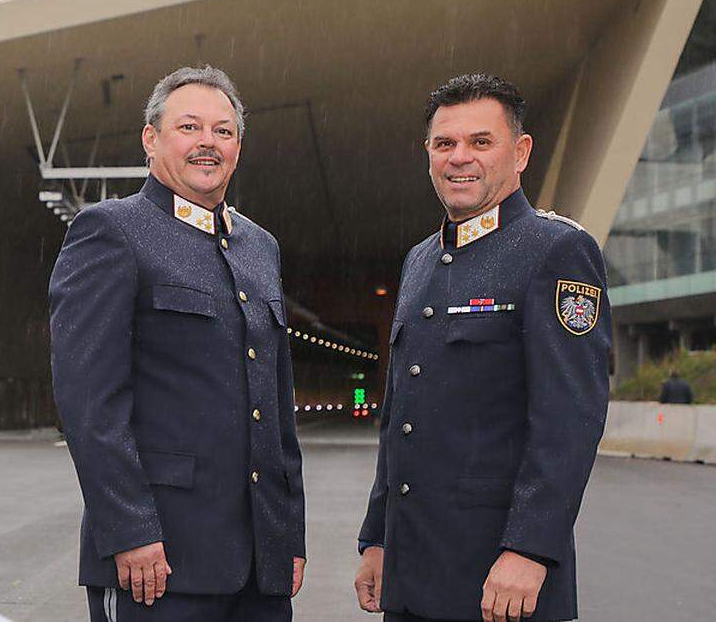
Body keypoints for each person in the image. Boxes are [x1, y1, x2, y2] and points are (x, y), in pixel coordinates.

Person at [49, 65, 306, 621]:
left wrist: (288, 534)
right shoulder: (110, 232)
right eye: (189, 127)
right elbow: (90, 405)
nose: (207, 143)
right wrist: (129, 529)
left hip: (260, 567)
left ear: (238, 145)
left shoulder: (259, 247)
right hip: (156, 562)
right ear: (151, 138)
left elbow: (275, 410)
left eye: (223, 130)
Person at [353, 74, 611, 622]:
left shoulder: (556, 250)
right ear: (428, 153)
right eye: (444, 144)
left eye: (480, 142)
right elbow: (400, 417)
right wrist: (377, 539)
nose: (459, 158)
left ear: (520, 153)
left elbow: (569, 419)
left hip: (502, 579)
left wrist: (530, 549)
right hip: (413, 571)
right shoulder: (420, 260)